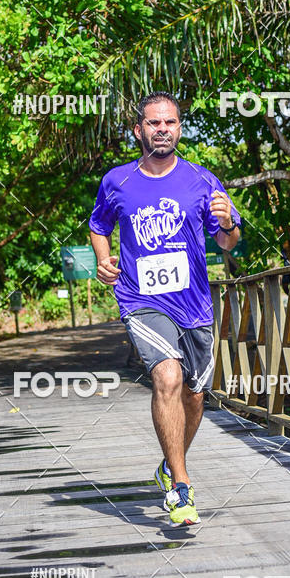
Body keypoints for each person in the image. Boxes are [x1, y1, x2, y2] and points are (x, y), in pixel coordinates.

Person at [89, 91, 241, 526]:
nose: (162, 130)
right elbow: (99, 226)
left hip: (194, 305)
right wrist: (103, 260)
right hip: (141, 299)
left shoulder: (201, 180)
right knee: (168, 376)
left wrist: (227, 222)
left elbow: (228, 242)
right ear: (138, 130)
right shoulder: (117, 181)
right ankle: (181, 486)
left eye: (170, 122)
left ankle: (169, 465)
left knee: (194, 396)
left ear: (179, 128)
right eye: (153, 123)